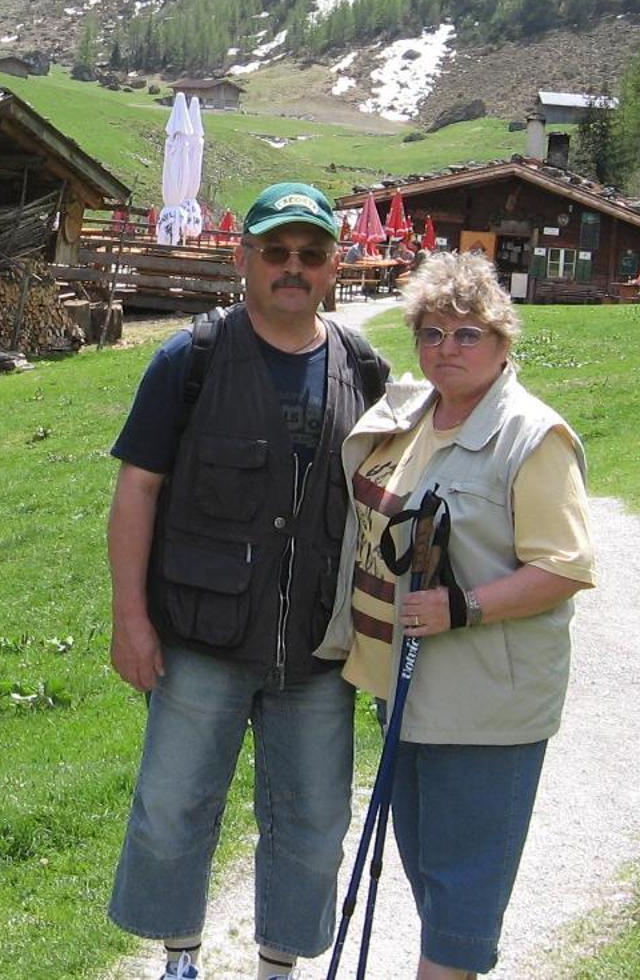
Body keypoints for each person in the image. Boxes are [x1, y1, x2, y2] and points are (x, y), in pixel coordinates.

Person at [108, 182, 391, 980]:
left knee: (313, 823)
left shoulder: (365, 370)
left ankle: (277, 967)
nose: (292, 267)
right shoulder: (189, 360)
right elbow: (137, 489)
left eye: (310, 253)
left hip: (318, 651)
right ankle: (179, 959)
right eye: (276, 251)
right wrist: (129, 617)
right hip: (200, 637)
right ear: (245, 259)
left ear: (335, 267)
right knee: (172, 810)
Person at [341, 253, 596, 979]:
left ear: (503, 341)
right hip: (410, 695)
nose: (445, 349)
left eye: (466, 335)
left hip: (488, 706)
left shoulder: (533, 437)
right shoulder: (414, 416)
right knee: (430, 881)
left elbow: (565, 567)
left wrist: (465, 607)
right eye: (430, 333)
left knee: (459, 908)